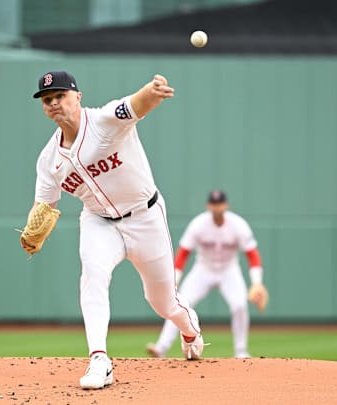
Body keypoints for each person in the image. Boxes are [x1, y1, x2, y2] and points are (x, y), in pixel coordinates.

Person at [21, 71, 204, 390]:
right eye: (47, 100)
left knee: (163, 302)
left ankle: (189, 329)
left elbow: (135, 105)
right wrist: (32, 230)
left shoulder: (105, 120)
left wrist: (151, 90)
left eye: (60, 96)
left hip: (145, 217)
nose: (54, 103)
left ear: (77, 96)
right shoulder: (48, 159)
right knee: (92, 276)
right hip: (98, 221)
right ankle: (99, 359)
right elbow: (44, 206)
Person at [146, 190, 268, 359]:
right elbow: (183, 253)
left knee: (239, 305)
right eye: (214, 204)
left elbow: (252, 254)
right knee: (178, 304)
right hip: (203, 270)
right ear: (208, 205)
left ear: (226, 205)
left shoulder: (238, 225)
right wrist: (174, 280)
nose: (217, 207)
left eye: (220, 204)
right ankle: (161, 347)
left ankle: (241, 351)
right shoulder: (198, 224)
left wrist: (257, 282)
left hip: (229, 271)